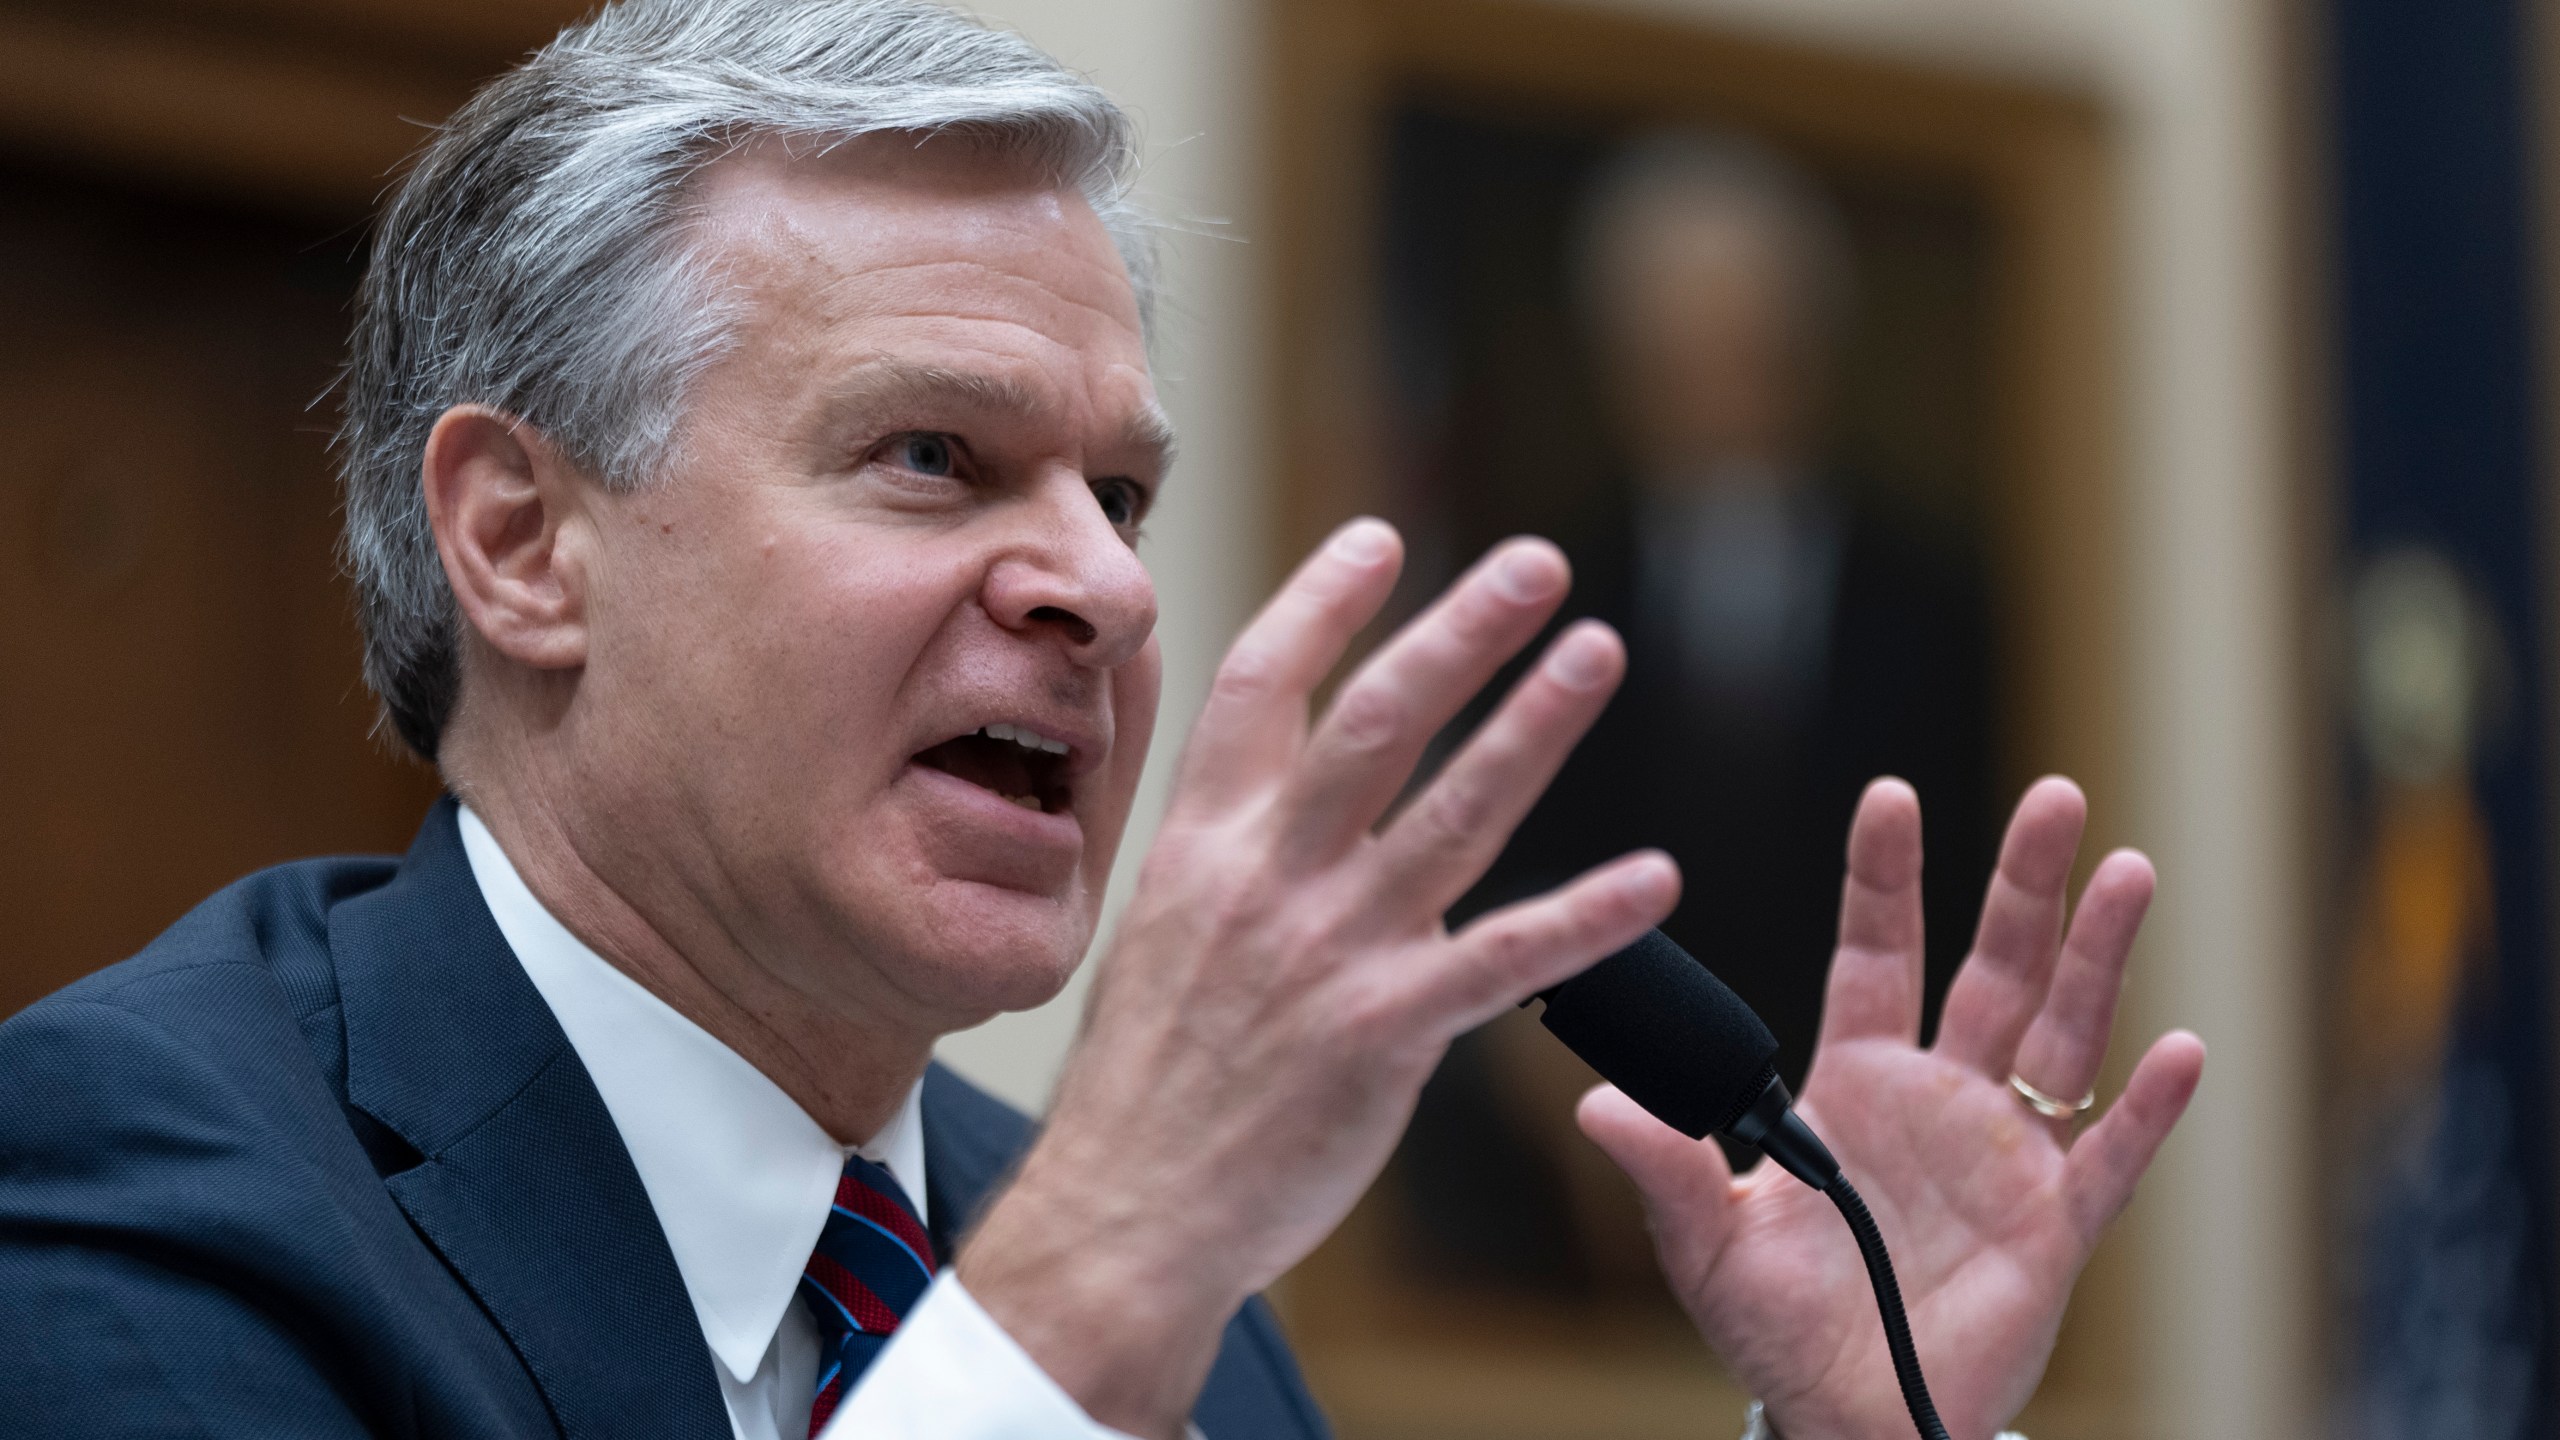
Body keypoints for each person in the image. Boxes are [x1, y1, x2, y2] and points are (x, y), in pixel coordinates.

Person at [0, 3, 2205, 1439]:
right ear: (520, 541)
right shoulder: (141, 1192)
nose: (1107, 587)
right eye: (930, 459)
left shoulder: (1175, 1337)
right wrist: (1101, 1278)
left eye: (1121, 491)